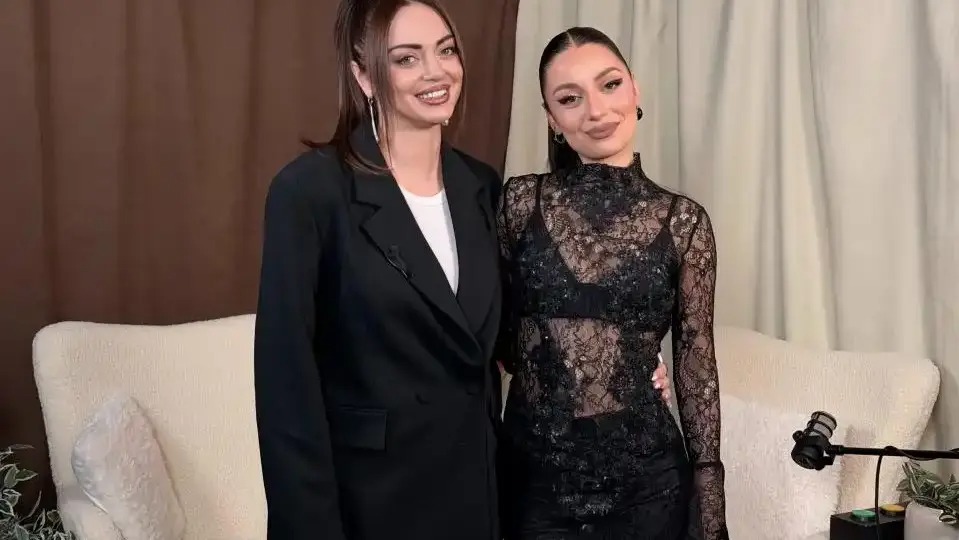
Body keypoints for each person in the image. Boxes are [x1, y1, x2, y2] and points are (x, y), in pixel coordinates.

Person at [253, 1, 672, 538]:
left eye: (446, 50)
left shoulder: (482, 187)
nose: (436, 72)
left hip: (479, 497)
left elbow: (515, 338)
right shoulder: (309, 192)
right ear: (364, 76)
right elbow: (286, 392)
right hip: (372, 504)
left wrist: (625, 354)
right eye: (406, 59)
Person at [495, 27, 728, 539]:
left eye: (609, 84)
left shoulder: (685, 223)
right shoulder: (518, 204)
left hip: (649, 488)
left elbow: (696, 363)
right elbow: (501, 338)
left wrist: (710, 510)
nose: (596, 110)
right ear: (552, 119)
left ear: (635, 89)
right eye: (570, 98)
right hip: (535, 487)